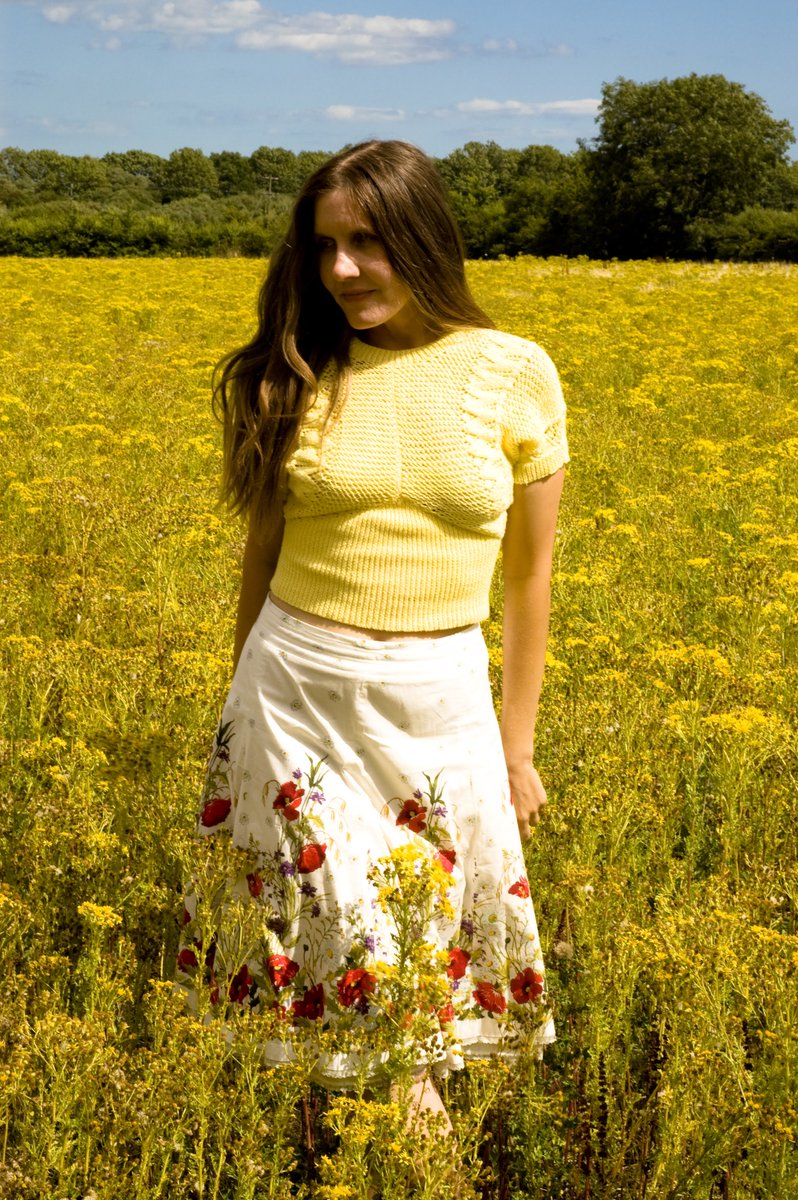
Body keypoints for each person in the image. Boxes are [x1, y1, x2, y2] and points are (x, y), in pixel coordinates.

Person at [177, 140, 568, 1125]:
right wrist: (240, 711)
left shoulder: (515, 373)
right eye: (326, 247)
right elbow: (259, 560)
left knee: (412, 961)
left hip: (440, 708)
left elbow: (529, 577)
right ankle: (400, 1151)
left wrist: (516, 746)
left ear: (424, 238)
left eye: (368, 242)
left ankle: (343, 1147)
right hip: (296, 696)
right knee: (346, 949)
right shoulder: (299, 370)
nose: (343, 270)